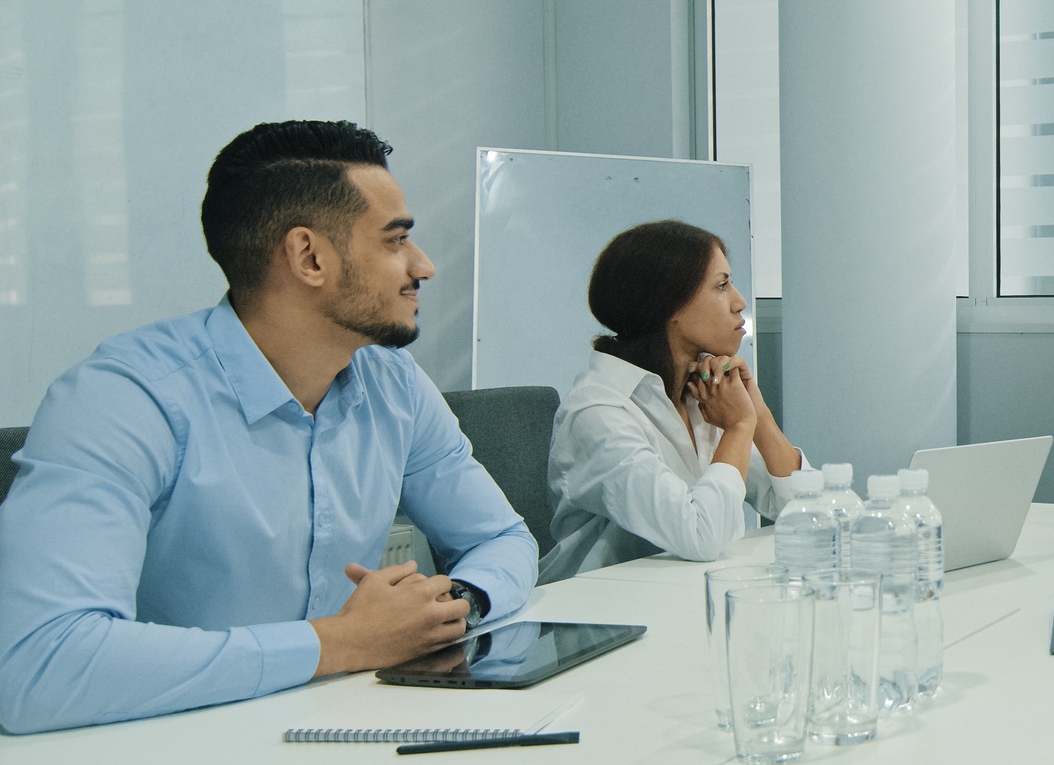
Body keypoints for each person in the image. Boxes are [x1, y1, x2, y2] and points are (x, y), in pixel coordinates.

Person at [0, 121, 537, 734]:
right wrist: (342, 643)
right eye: (395, 241)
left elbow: (503, 540)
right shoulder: (122, 398)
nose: (424, 266)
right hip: (160, 753)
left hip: (341, 727)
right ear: (309, 256)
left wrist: (452, 606)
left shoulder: (393, 383)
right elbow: (39, 668)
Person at [538, 220, 804, 581]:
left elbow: (806, 513)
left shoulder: (704, 394)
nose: (740, 302)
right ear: (669, 305)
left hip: (681, 602)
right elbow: (700, 535)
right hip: (607, 621)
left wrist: (759, 414)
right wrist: (740, 427)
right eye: (722, 285)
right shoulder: (598, 413)